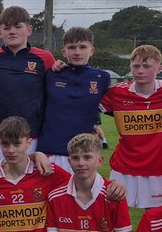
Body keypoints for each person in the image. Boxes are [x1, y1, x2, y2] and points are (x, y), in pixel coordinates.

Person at [102, 45, 162, 210]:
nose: (140, 71)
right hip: (123, 168)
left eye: (146, 66)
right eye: (136, 66)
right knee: (113, 215)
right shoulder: (117, 92)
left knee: (157, 219)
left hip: (159, 171)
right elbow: (87, 106)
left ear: (159, 68)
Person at [0, 6, 55, 162]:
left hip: (29, 138)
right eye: (7, 28)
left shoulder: (45, 58)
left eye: (18, 27)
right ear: (0, 32)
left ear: (29, 29)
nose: (12, 31)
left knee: (26, 178)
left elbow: (54, 96)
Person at [38, 26, 110, 172]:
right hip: (50, 152)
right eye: (72, 47)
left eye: (83, 47)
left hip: (83, 156)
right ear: (64, 52)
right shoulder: (51, 75)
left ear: (92, 50)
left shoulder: (102, 78)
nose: (77, 52)